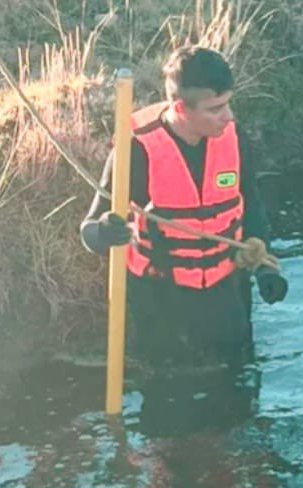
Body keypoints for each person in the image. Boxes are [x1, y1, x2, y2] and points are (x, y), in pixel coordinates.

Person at [80, 46, 287, 369]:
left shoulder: (233, 137)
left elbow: (252, 205)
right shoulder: (137, 150)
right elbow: (89, 232)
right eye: (215, 108)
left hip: (227, 294)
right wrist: (107, 231)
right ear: (181, 107)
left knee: (238, 391)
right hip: (161, 304)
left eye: (228, 103)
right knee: (169, 394)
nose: (228, 116)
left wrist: (265, 268)